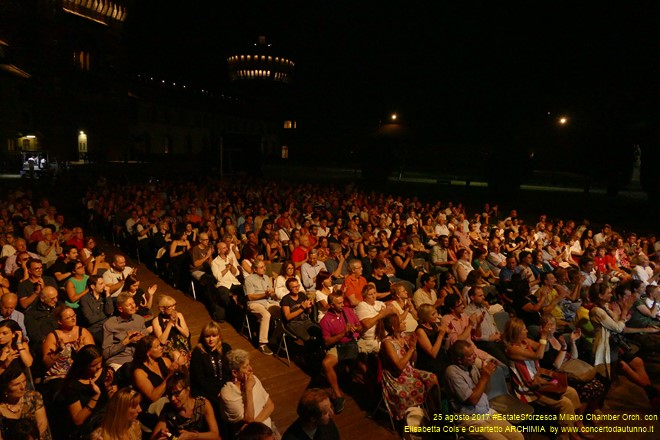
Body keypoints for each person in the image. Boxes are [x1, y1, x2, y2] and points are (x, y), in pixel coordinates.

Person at [502, 318, 585, 439]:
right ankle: (565, 435)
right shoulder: (512, 349)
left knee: (572, 392)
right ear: (517, 333)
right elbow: (539, 355)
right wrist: (543, 335)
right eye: (524, 329)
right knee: (565, 403)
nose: (526, 331)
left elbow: (544, 349)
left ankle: (575, 425)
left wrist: (546, 336)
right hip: (529, 388)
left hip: (539, 380)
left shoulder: (525, 342)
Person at [588, 282, 660, 406]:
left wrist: (621, 315)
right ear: (600, 295)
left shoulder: (605, 307)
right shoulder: (596, 311)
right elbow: (618, 327)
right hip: (606, 348)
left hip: (616, 344)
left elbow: (619, 321)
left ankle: (652, 394)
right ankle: (652, 392)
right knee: (609, 378)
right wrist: (625, 310)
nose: (611, 294)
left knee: (637, 362)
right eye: (608, 292)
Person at [445, 340, 524, 440]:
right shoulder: (452, 372)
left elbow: (485, 391)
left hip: (486, 411)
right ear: (459, 360)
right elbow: (472, 400)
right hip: (470, 418)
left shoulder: (472, 367)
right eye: (470, 355)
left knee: (518, 437)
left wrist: (488, 374)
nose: (474, 356)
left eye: (473, 353)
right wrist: (484, 377)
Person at [376, 313, 440, 421]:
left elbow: (413, 360)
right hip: (395, 376)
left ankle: (436, 412)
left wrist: (413, 348)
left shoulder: (404, 337)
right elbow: (399, 366)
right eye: (401, 322)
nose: (404, 323)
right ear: (393, 327)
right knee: (418, 385)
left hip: (409, 370)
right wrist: (410, 349)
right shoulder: (387, 343)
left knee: (432, 378)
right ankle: (415, 418)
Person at [538, 315, 606, 415]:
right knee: (588, 388)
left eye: (554, 324)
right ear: (542, 327)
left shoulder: (557, 336)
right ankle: (579, 421)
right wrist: (564, 347)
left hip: (571, 367)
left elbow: (574, 356)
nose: (553, 327)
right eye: (549, 324)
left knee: (598, 384)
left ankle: (591, 413)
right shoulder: (543, 343)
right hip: (560, 374)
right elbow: (556, 365)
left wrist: (572, 342)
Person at [52, 345, 116, 439]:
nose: (99, 367)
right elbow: (78, 420)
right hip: (89, 427)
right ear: (84, 366)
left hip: (107, 418)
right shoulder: (73, 385)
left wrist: (108, 387)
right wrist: (96, 396)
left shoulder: (105, 373)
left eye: (100, 362)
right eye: (93, 365)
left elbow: (115, 404)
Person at [319, 292, 363, 414]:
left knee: (364, 364)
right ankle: (338, 395)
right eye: (339, 303)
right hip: (339, 346)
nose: (342, 304)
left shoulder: (348, 311)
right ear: (331, 305)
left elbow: (360, 327)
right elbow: (327, 342)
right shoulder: (325, 320)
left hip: (354, 342)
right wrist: (344, 333)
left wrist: (355, 328)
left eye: (342, 302)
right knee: (326, 364)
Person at [220, 349, 279, 438]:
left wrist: (256, 423)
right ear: (235, 373)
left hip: (267, 427)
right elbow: (249, 419)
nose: (250, 369)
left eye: (249, 364)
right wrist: (248, 390)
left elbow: (270, 405)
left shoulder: (253, 379)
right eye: (246, 366)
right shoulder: (228, 394)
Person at [151, 372, 221, 440]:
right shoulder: (168, 409)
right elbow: (154, 436)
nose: (172, 398)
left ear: (188, 389)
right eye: (170, 394)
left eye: (177, 393)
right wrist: (159, 435)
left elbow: (215, 434)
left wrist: (193, 436)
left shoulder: (202, 404)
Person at [41, 305, 94, 382]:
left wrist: (82, 351)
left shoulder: (83, 332)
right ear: (59, 321)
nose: (73, 319)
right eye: (68, 318)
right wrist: (58, 352)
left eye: (74, 315)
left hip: (80, 375)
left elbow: (94, 356)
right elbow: (46, 364)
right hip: (58, 376)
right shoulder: (53, 336)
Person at [0, 363, 51, 440]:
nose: (23, 387)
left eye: (24, 381)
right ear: (5, 388)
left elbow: (42, 424)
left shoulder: (33, 397)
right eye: (16, 384)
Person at [190, 321, 232, 412]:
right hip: (205, 390)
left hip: (224, 386)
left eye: (214, 336)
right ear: (203, 337)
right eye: (207, 336)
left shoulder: (226, 348)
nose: (211, 339)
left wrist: (227, 388)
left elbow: (230, 371)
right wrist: (217, 392)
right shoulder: (198, 352)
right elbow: (199, 379)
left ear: (219, 336)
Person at [102, 292, 147, 370]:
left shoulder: (139, 319)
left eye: (133, 303)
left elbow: (147, 341)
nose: (133, 306)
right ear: (120, 309)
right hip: (119, 361)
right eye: (129, 305)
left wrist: (143, 339)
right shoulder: (110, 324)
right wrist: (125, 342)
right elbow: (105, 354)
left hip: (138, 359)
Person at [244, 260, 281, 355]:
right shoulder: (249, 279)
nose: (264, 268)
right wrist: (264, 295)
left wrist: (272, 293)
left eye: (264, 266)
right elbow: (250, 296)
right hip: (255, 303)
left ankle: (275, 337)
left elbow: (270, 294)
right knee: (266, 315)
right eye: (261, 267)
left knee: (282, 311)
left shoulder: (266, 278)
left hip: (268, 301)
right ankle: (262, 343)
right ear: (255, 270)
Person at [280, 278, 322, 345]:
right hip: (293, 323)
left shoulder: (302, 295)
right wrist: (302, 308)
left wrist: (309, 306)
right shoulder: (286, 299)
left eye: (297, 286)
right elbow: (288, 317)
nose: (297, 288)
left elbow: (308, 312)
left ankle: (320, 351)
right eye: (294, 287)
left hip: (306, 321)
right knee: (308, 339)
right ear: (289, 289)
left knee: (319, 332)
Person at [152, 295, 191, 363]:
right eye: (170, 307)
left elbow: (187, 334)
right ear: (162, 309)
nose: (173, 308)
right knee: (176, 355)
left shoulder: (179, 315)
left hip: (181, 343)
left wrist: (176, 325)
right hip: (168, 347)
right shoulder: (156, 321)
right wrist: (169, 324)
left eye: (174, 305)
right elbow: (162, 341)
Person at [414, 304, 448, 377]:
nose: (436, 316)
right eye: (433, 314)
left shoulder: (433, 325)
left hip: (441, 357)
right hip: (429, 363)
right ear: (425, 317)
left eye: (436, 313)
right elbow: (433, 354)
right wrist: (441, 335)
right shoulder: (420, 331)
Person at [79, 275, 115, 345]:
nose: (104, 286)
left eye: (104, 283)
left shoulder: (104, 296)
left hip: (108, 324)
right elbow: (91, 319)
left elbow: (110, 311)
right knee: (108, 341)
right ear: (93, 286)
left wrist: (108, 295)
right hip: (96, 329)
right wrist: (106, 314)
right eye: (101, 284)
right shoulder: (84, 299)